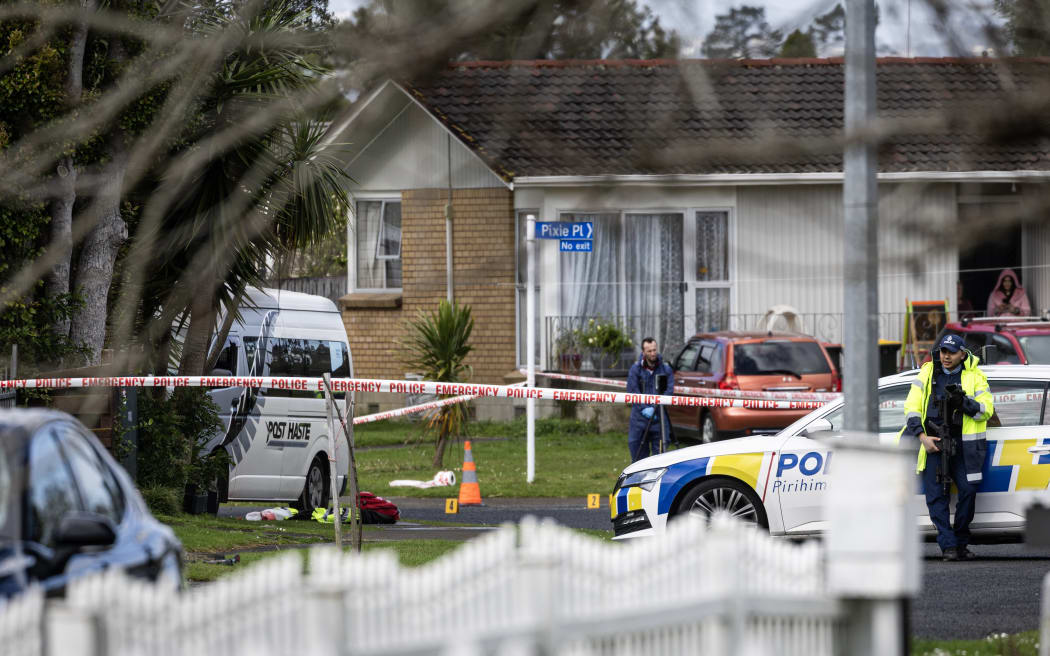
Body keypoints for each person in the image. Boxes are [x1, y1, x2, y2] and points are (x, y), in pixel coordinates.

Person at [896, 333, 994, 561]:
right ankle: (948, 546)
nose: (946, 356)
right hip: (932, 442)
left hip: (963, 444)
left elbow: (986, 410)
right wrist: (922, 437)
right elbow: (911, 407)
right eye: (943, 351)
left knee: (968, 491)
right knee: (936, 496)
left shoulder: (975, 376)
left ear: (962, 353)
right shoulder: (928, 372)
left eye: (951, 352)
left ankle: (960, 541)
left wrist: (964, 403)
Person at [626, 337, 675, 462]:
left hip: (659, 419)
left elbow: (669, 391)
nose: (653, 353)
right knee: (638, 461)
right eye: (649, 351)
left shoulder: (665, 369)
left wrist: (655, 407)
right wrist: (644, 408)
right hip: (639, 420)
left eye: (654, 350)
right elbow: (632, 391)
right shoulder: (635, 369)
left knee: (660, 460)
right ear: (643, 352)